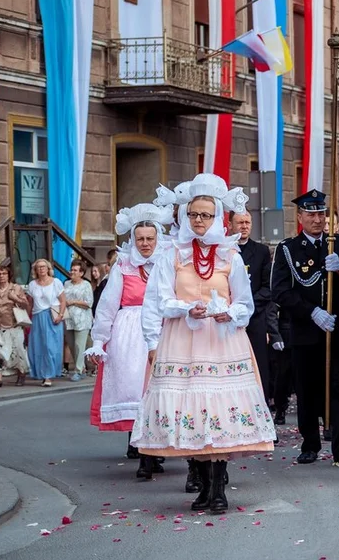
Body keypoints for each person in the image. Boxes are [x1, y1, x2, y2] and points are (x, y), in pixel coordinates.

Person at [131, 174, 275, 514]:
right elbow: (158, 299)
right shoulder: (172, 254)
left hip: (221, 340)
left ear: (217, 218)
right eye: (194, 214)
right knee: (192, 411)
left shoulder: (230, 255)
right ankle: (203, 484)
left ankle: (218, 486)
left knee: (220, 411)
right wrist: (185, 308)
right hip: (182, 339)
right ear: (185, 216)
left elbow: (246, 302)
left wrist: (232, 313)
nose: (199, 220)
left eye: (206, 215)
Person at [272, 189, 339, 467]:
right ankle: (310, 442)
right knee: (307, 387)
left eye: (321, 213)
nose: (317, 219)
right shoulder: (288, 249)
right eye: (311, 214)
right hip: (306, 330)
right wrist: (312, 312)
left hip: (338, 328)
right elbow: (281, 291)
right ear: (300, 217)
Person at [86, 202, 172, 478]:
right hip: (130, 337)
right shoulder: (124, 267)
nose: (145, 244)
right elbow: (108, 306)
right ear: (133, 241)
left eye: (150, 239)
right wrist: (99, 340)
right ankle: (145, 455)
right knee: (138, 394)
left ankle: (155, 451)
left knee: (161, 393)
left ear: (158, 238)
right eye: (140, 239)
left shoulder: (168, 264)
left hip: (163, 331)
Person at [230, 212, 273, 402]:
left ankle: (260, 404)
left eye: (247, 222)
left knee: (259, 365)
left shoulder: (262, 251)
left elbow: (267, 288)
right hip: (229, 319)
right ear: (231, 225)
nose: (244, 226)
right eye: (240, 222)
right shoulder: (225, 250)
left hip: (255, 318)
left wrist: (245, 305)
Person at [26, 259, 65, 388]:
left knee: (50, 346)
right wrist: (27, 318)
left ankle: (49, 375)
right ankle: (42, 374)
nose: (41, 269)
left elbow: (63, 301)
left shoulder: (56, 283)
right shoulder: (32, 284)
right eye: (38, 267)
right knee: (38, 346)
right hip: (37, 317)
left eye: (43, 267)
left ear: (48, 269)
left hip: (52, 316)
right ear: (35, 270)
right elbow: (30, 303)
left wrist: (60, 315)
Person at [0, 265, 30, 387]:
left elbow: (26, 305)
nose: (1, 276)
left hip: (14, 324)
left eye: (4, 273)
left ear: (8, 275)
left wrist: (16, 298)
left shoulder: (16, 288)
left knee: (19, 350)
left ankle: (21, 373)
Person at [62, 260, 94, 382]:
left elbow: (89, 303)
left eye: (75, 270)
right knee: (71, 345)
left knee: (79, 345)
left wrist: (74, 302)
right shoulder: (67, 284)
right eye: (72, 269)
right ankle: (82, 368)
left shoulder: (86, 285)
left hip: (82, 319)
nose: (72, 272)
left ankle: (78, 370)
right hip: (69, 319)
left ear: (81, 273)